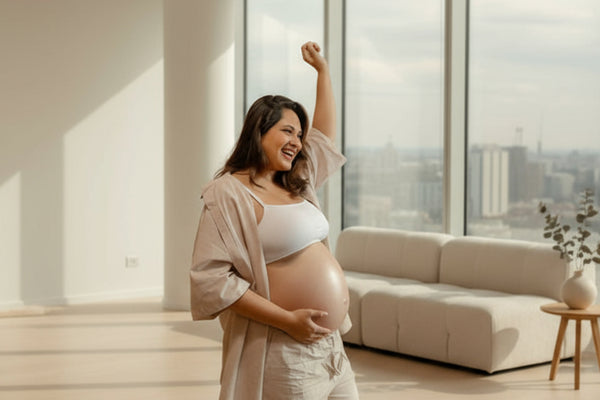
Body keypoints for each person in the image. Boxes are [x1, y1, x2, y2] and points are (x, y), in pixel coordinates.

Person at [190, 41, 359, 400]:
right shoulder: (228, 193)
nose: (297, 141)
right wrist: (289, 321)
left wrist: (323, 72)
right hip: (284, 349)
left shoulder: (298, 182)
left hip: (332, 350)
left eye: (299, 134)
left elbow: (324, 137)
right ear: (259, 131)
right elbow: (214, 280)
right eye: (287, 131)